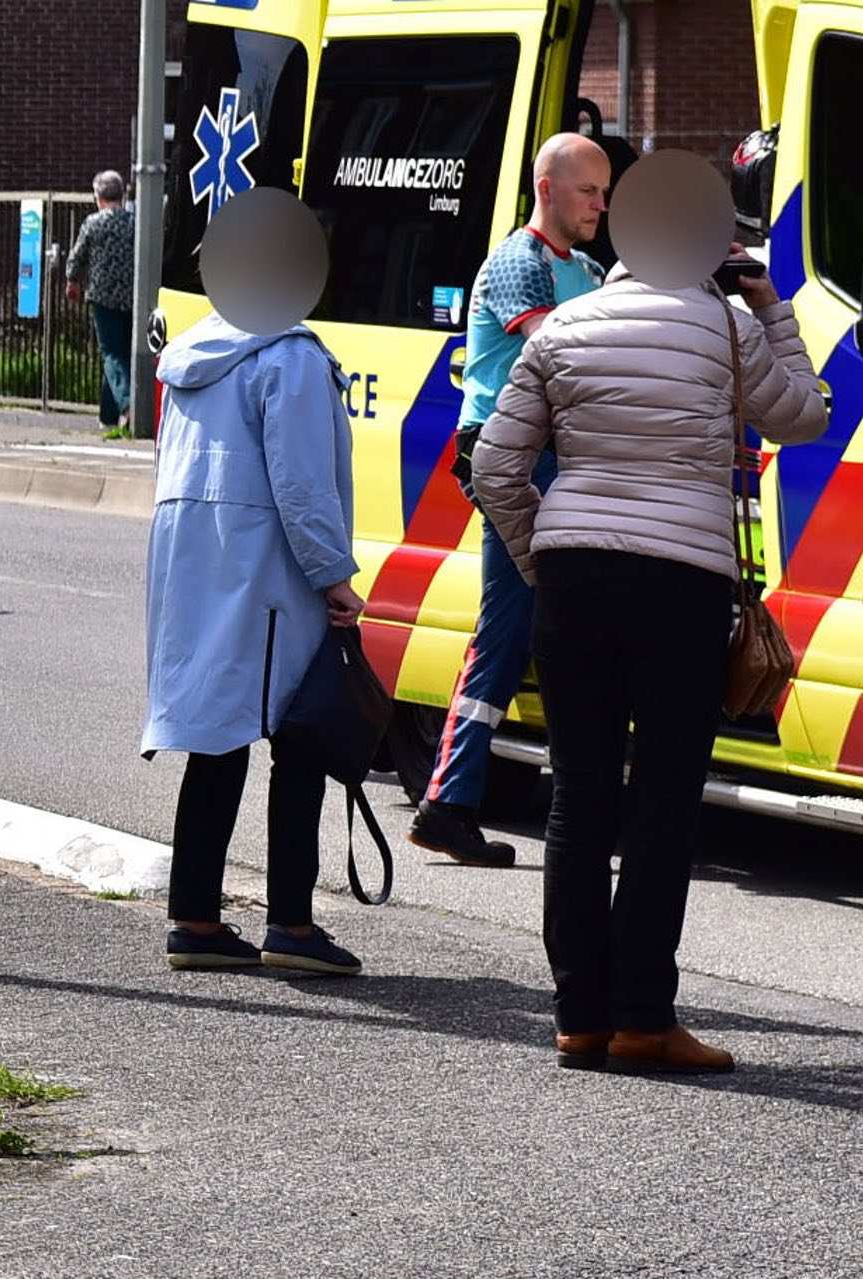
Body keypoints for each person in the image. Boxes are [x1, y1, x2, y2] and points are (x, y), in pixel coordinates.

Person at [470, 244, 827, 1073]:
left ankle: (578, 1020)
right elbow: (804, 413)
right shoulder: (725, 326)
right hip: (681, 586)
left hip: (574, 580)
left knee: (579, 797)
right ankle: (642, 1019)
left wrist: (542, 559)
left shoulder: (565, 326)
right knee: (663, 801)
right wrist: (771, 305)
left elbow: (493, 463)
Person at [140, 305, 365, 976]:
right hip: (268, 567)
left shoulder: (189, 356)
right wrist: (333, 575)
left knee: (217, 736)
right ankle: (292, 923)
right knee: (299, 736)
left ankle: (195, 916)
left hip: (196, 559)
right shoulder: (288, 357)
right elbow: (302, 484)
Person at [411, 132, 615, 868]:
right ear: (547, 188)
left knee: (539, 619)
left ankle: (462, 798)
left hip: (553, 456)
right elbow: (555, 347)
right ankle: (448, 798)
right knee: (511, 624)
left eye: (605, 190)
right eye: (588, 190)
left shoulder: (587, 268)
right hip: (508, 458)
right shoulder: (515, 264)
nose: (601, 203)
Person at [64, 170, 137, 433]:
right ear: (122, 195)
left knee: (111, 354)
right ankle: (108, 419)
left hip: (102, 297)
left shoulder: (93, 223)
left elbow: (77, 256)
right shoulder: (134, 223)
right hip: (132, 298)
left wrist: (72, 282)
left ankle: (128, 406)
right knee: (121, 354)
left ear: (98, 197)